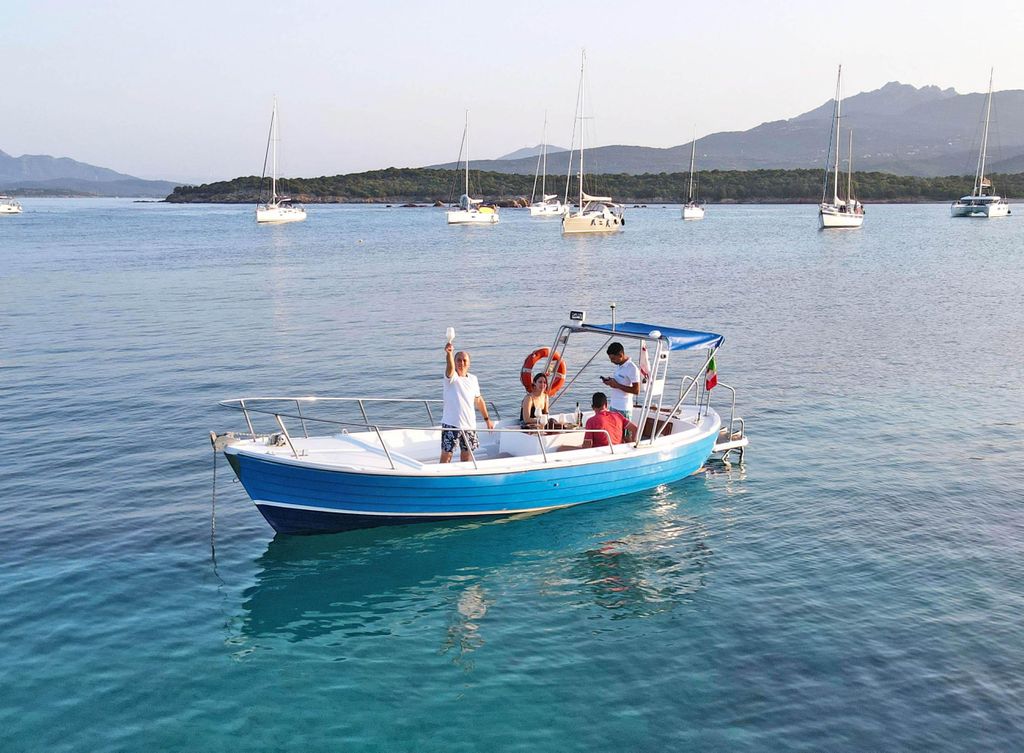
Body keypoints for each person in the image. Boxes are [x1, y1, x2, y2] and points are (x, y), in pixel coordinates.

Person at [440, 342, 494, 463]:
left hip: (469, 424)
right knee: (447, 455)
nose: (461, 363)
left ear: (469, 363)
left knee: (466, 455)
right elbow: (449, 367)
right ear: (454, 362)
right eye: (458, 360)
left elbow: (479, 400)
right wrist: (449, 354)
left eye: (464, 360)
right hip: (451, 424)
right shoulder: (451, 377)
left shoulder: (473, 379)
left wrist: (487, 419)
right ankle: (441, 477)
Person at [600, 341, 642, 421]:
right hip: (613, 406)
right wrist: (610, 381)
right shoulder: (619, 365)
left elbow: (636, 390)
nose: (611, 361)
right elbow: (620, 381)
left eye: (613, 358)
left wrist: (617, 385)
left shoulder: (632, 368)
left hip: (624, 409)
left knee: (624, 434)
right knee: (613, 432)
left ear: (620, 355)